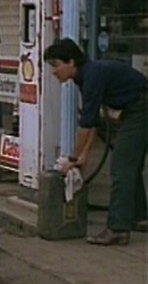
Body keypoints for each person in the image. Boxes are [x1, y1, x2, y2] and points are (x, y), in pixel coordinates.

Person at [43, 38, 147, 246]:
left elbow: (85, 125)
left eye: (56, 66)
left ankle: (118, 229)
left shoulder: (91, 76)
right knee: (129, 166)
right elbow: (92, 122)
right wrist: (84, 156)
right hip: (137, 109)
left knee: (121, 167)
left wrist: (72, 158)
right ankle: (139, 217)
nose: (54, 72)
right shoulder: (86, 76)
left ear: (71, 62)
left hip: (141, 110)